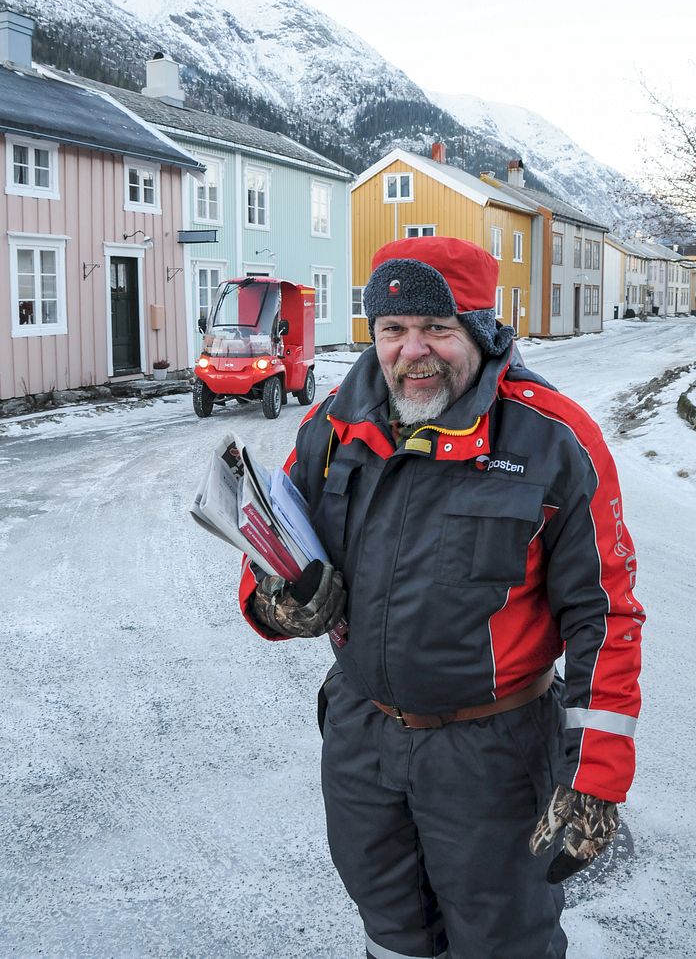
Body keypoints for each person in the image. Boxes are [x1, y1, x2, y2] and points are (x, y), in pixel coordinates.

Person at [239, 235, 644, 959]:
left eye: (437, 328)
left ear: (482, 333)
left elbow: (605, 611)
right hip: (363, 739)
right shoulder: (333, 425)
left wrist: (596, 774)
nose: (411, 350)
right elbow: (276, 540)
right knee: (391, 932)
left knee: (504, 941)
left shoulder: (551, 439)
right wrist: (276, 600)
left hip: (493, 756)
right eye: (393, 330)